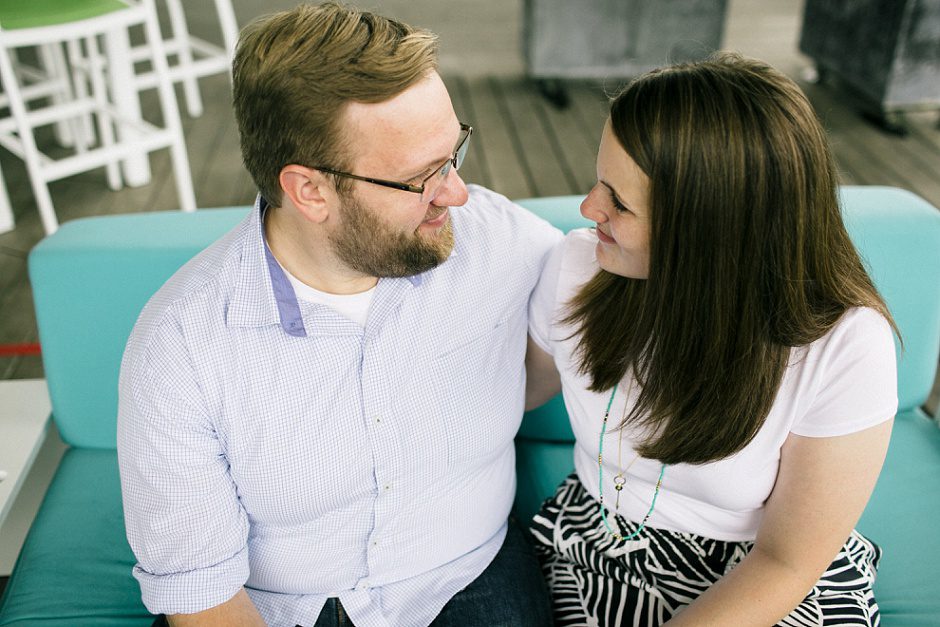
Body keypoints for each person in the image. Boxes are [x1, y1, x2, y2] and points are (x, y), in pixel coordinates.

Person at [117, 3, 560, 626]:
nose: (457, 193)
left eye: (453, 151)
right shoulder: (181, 345)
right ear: (309, 191)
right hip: (283, 608)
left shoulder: (503, 241)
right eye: (420, 177)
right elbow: (201, 594)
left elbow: (596, 314)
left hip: (471, 570)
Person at [524, 53, 898, 626]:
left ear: (710, 229)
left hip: (760, 576)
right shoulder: (579, 268)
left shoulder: (846, 348)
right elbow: (507, 391)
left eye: (618, 202)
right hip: (593, 546)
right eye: (599, 183)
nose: (587, 209)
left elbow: (786, 563)